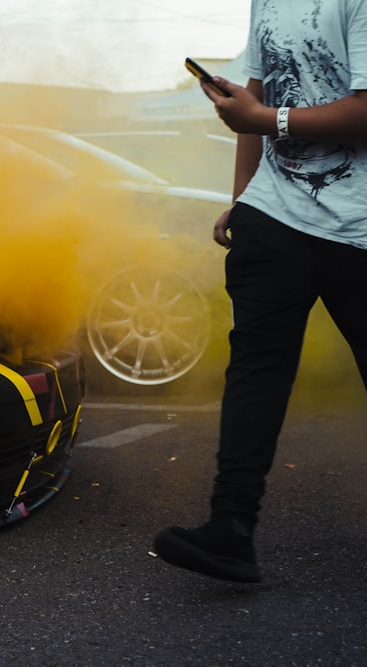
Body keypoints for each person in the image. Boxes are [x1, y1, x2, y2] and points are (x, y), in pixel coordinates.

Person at [152, 0, 367, 584]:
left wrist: (266, 120)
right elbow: (255, 94)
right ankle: (231, 530)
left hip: (360, 230)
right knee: (255, 372)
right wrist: (244, 198)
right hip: (274, 220)